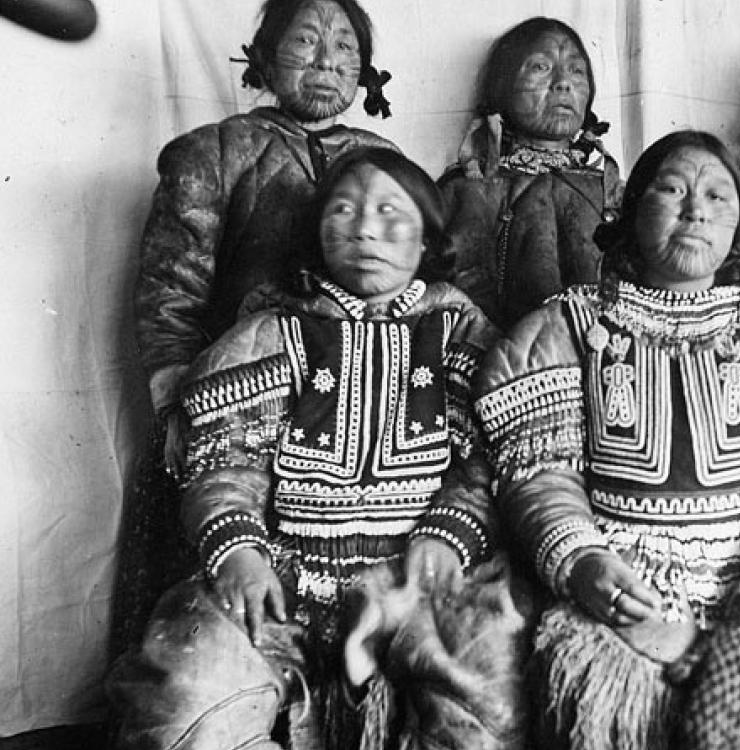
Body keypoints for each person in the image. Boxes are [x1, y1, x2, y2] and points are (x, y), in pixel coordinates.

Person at [475, 130, 740, 750]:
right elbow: (542, 475)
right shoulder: (568, 326)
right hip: (618, 575)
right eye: (672, 189)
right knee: (599, 710)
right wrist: (584, 562)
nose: (696, 208)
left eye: (719, 197)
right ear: (631, 211)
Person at [108, 147, 500, 750]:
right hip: (284, 580)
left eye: (390, 211)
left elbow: (485, 461)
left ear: (426, 238)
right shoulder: (268, 335)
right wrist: (238, 550)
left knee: (488, 703)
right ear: (318, 234)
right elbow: (225, 468)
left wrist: (450, 532)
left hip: (421, 584)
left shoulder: (461, 333)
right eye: (343, 210)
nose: (365, 228)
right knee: (189, 697)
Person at [112, 0, 398, 660]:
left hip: (352, 409)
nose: (327, 61)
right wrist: (176, 404)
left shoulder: (385, 161)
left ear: (365, 73)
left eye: (345, 50)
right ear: (264, 58)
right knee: (218, 604)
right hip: (232, 410)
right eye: (306, 42)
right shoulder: (216, 151)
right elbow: (171, 288)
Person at [437, 16, 622, 331]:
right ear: (503, 87)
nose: (563, 82)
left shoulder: (611, 190)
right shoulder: (471, 186)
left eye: (577, 71)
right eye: (541, 67)